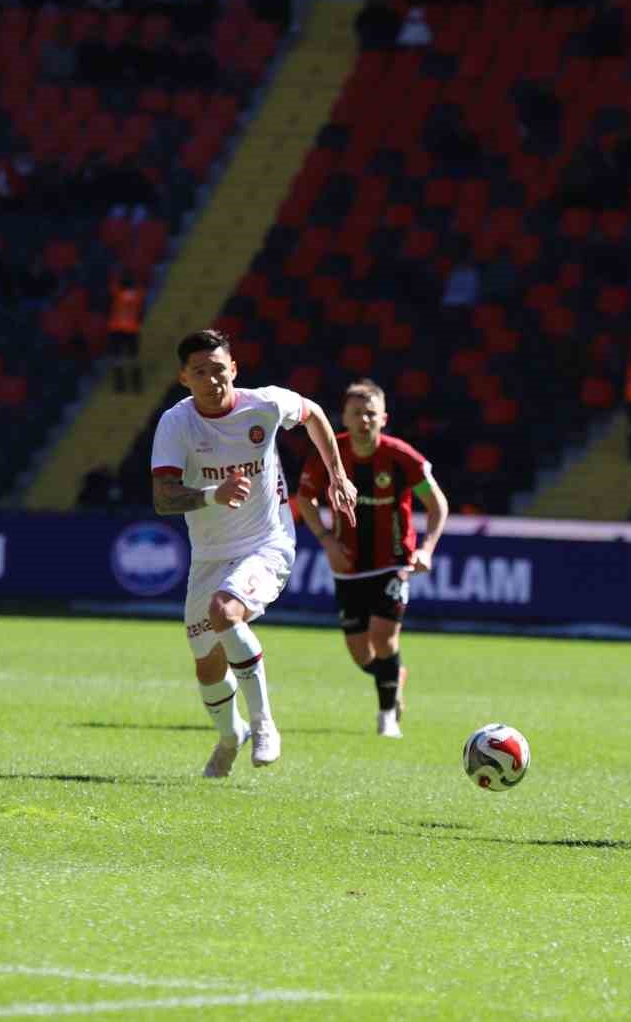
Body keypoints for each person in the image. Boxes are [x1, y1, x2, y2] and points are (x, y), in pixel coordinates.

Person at [151, 329, 357, 778]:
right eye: (200, 372)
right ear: (184, 378)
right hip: (209, 555)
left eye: (219, 370)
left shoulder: (264, 404)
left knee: (225, 612)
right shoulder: (176, 423)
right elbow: (163, 498)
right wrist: (214, 494)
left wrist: (337, 474)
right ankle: (231, 737)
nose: (212, 380)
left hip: (268, 543)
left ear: (234, 369)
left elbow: (314, 414)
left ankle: (264, 725)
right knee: (207, 665)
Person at [295, 379, 449, 739]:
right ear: (344, 418)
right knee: (360, 653)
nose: (364, 420)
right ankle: (394, 676)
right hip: (347, 564)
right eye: (357, 413)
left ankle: (387, 717)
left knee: (383, 638)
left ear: (384, 418)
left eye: (371, 413)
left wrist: (426, 549)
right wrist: (326, 541)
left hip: (393, 560)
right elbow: (305, 499)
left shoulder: (402, 458)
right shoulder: (329, 454)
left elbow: (437, 505)